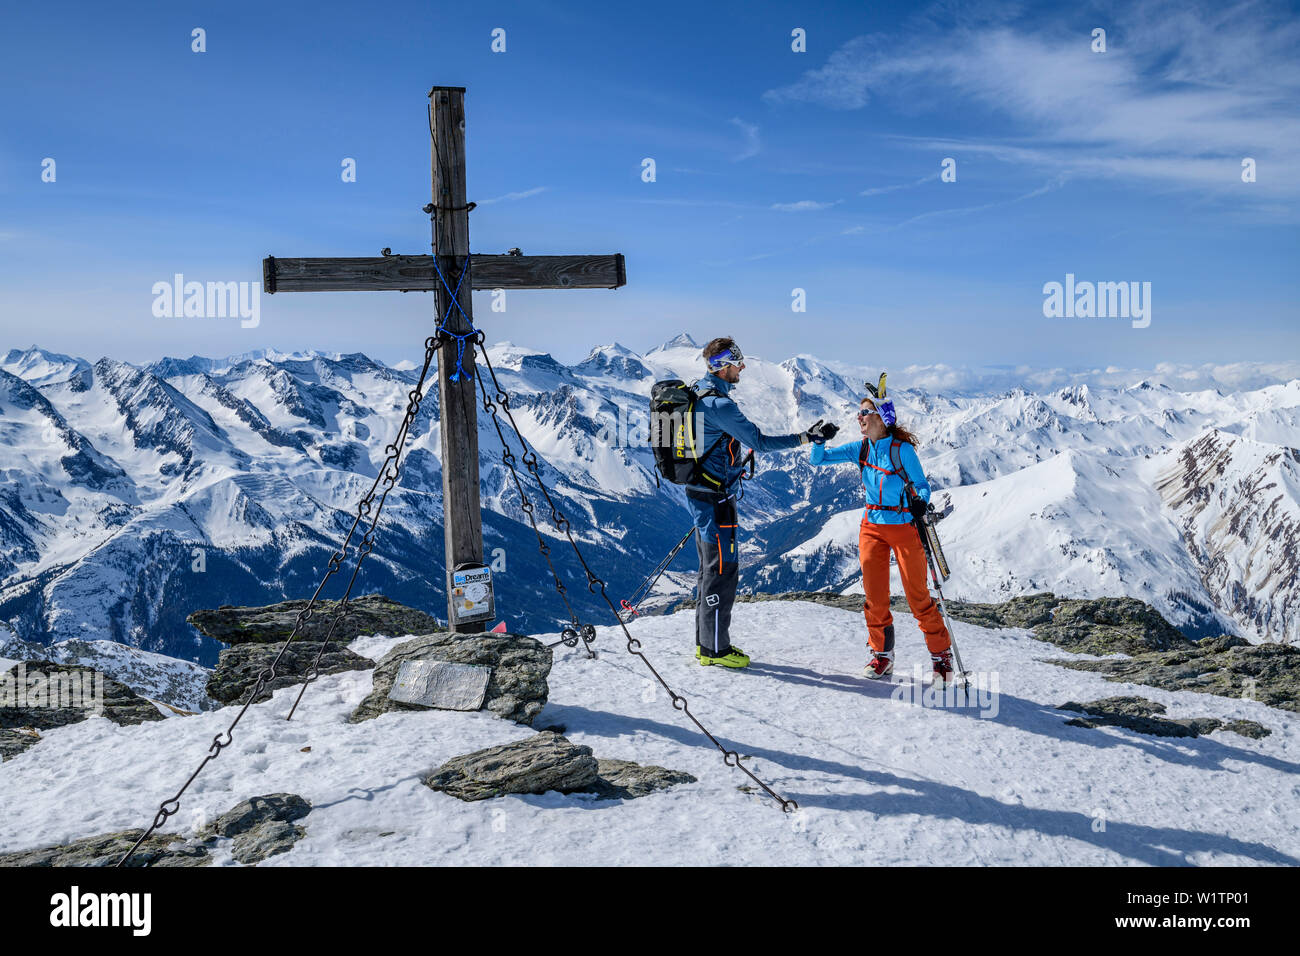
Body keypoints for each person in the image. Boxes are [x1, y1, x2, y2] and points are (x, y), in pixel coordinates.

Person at [689, 337, 837, 668]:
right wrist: (806, 438)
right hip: (716, 501)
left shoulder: (697, 393)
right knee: (722, 572)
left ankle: (705, 644)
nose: (742, 367)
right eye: (736, 362)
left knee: (708, 570)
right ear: (721, 367)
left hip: (702, 494)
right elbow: (760, 441)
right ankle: (716, 650)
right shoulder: (719, 406)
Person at [809, 391, 954, 682]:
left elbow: (922, 485)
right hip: (871, 526)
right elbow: (819, 460)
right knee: (875, 597)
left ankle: (941, 657)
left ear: (880, 417)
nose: (858, 417)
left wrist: (920, 501)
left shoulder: (902, 451)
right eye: (859, 413)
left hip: (903, 526)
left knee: (918, 598)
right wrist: (818, 439)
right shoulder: (861, 449)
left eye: (864, 412)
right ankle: (882, 656)